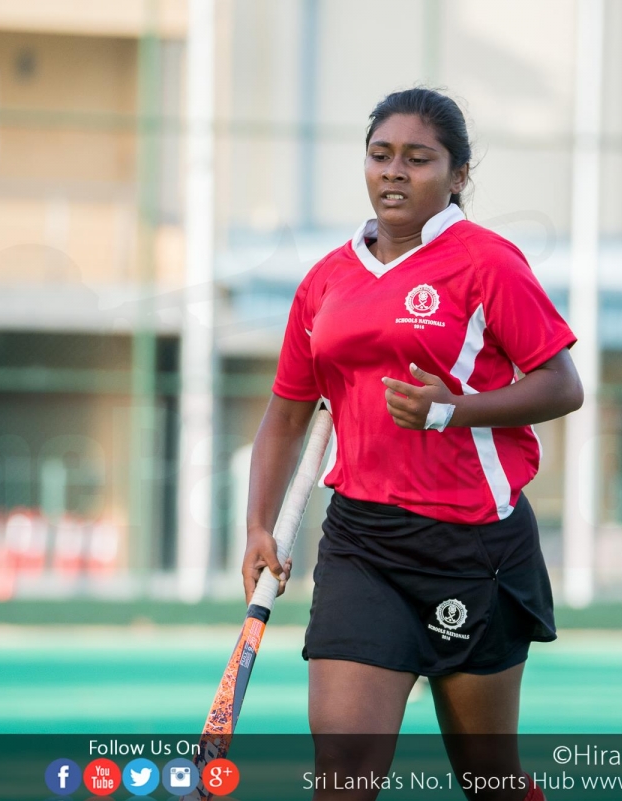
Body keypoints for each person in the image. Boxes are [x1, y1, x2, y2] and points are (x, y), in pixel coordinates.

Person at [243, 88, 582, 801]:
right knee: (344, 779)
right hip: (363, 544)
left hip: (476, 546)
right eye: (380, 155)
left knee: (490, 782)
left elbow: (562, 385)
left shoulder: (488, 262)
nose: (394, 171)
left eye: (418, 159)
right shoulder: (327, 280)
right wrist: (257, 525)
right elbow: (287, 413)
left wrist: (454, 411)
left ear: (458, 175)